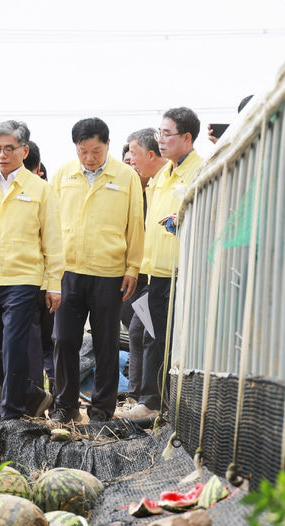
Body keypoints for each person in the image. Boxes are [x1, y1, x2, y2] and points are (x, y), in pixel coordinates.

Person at [0, 120, 63, 422]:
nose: (2, 154)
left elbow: (53, 240)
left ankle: (11, 416)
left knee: (14, 348)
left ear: (24, 151)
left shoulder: (40, 190)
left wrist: (54, 283)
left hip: (24, 279)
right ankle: (31, 395)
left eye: (9, 148)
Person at [49, 117, 144, 423]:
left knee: (106, 342)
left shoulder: (126, 177)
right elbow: (49, 224)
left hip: (109, 272)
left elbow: (135, 224)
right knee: (64, 340)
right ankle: (65, 406)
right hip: (68, 271)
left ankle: (102, 410)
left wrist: (133, 267)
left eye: (96, 151)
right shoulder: (63, 175)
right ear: (76, 148)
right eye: (83, 151)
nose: (89, 158)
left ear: (107, 145)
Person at [125, 107, 204, 422]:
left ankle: (162, 403)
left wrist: (185, 219)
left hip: (183, 271)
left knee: (171, 340)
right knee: (153, 336)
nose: (161, 139)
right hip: (156, 271)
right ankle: (153, 402)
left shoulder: (202, 172)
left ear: (187, 137)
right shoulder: (162, 174)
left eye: (167, 134)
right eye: (159, 133)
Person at [123, 127, 168, 414]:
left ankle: (147, 398)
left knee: (146, 332)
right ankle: (141, 396)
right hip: (148, 272)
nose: (131, 162)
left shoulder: (168, 181)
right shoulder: (153, 185)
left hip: (166, 273)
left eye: (134, 155)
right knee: (143, 332)